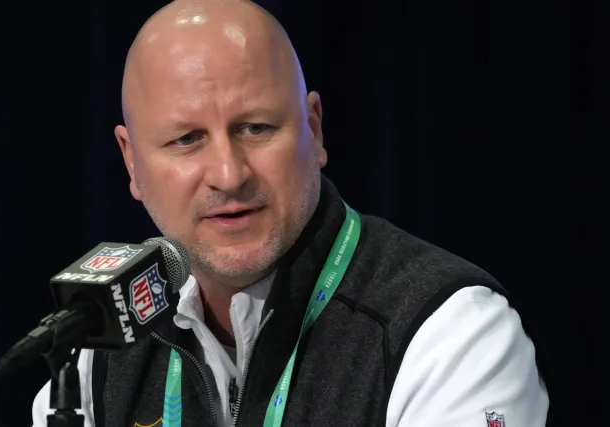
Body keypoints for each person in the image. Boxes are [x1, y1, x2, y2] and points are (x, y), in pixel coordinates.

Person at [32, 0, 549, 425]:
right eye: (187, 140)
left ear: (314, 129)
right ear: (132, 163)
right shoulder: (93, 356)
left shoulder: (451, 334)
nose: (229, 174)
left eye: (255, 128)